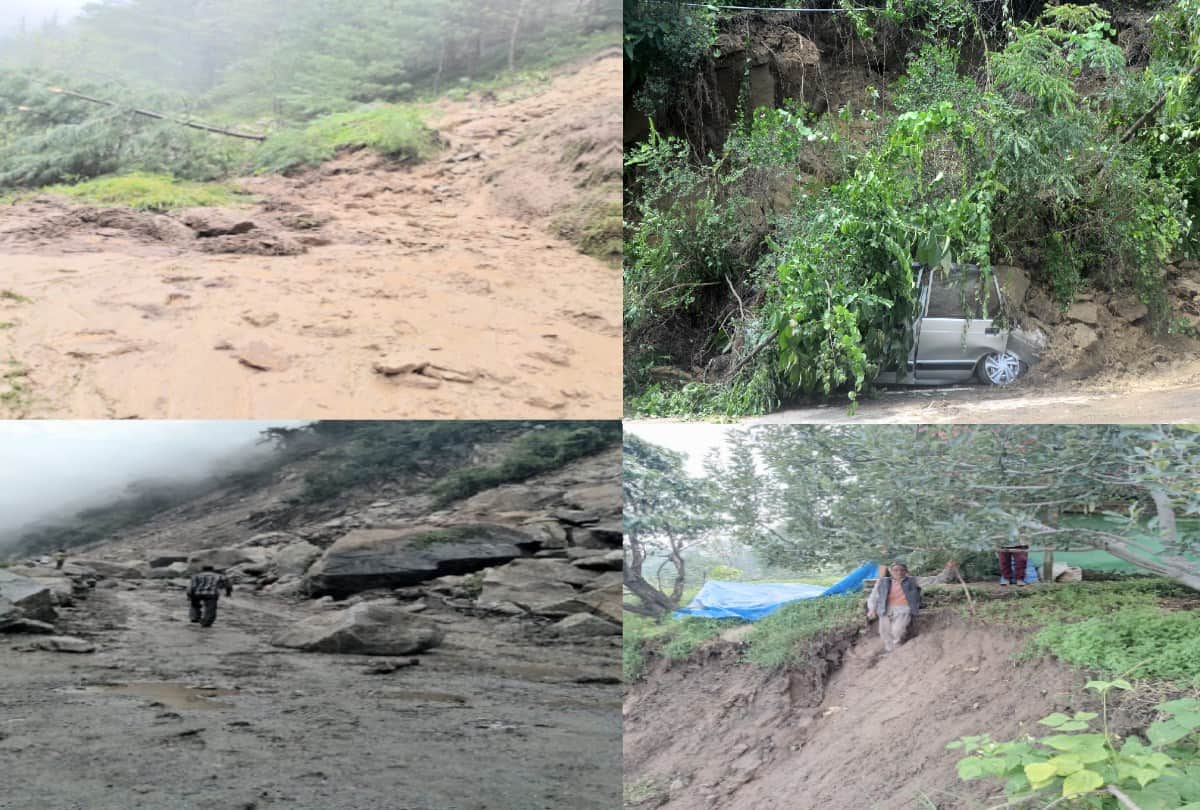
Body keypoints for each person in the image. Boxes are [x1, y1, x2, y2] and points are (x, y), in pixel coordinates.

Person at [866, 560, 955, 653]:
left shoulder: (913, 580)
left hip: (903, 609)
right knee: (884, 632)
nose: (899, 572)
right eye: (896, 570)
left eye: (902, 570)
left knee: (897, 630)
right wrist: (871, 609)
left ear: (906, 571)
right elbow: (873, 596)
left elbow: (935, 580)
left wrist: (948, 569)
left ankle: (897, 647)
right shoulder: (882, 582)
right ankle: (889, 650)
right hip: (885, 608)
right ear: (891, 571)